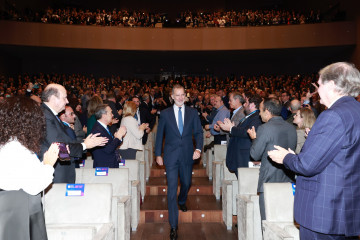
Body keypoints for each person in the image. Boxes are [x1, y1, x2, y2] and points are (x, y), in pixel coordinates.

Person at [268, 62, 360, 239]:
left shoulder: (333, 115)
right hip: (347, 210)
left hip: (325, 212)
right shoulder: (355, 111)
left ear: (332, 85)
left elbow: (308, 165)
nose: (317, 91)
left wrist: (286, 157)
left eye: (319, 84)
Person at [0, 96, 59, 240]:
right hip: (20, 209)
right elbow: (34, 186)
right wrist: (48, 165)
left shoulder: (7, 144)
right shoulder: (16, 147)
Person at [155, 84, 203, 240]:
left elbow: (198, 132)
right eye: (177, 95)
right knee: (171, 190)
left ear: (185, 96)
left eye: (183, 94)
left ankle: (182, 199)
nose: (180, 98)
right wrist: (158, 154)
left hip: (188, 154)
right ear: (172, 97)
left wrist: (198, 149)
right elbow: (159, 135)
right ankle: (174, 226)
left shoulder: (193, 113)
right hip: (170, 156)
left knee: (187, 182)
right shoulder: (165, 114)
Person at [39, 83, 108, 183]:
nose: (67, 101)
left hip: (62, 174)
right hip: (57, 176)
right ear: (53, 99)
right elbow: (59, 147)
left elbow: (67, 141)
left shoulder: (52, 115)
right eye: (65, 98)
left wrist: (85, 142)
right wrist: (85, 145)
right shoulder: (45, 116)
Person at [247, 98, 297, 221]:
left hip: (269, 180)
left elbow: (255, 155)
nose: (259, 114)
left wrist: (254, 138)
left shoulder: (264, 128)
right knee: (285, 220)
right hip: (288, 180)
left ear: (267, 111)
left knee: (267, 223)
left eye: (260, 110)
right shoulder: (291, 127)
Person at [218, 94, 262, 177]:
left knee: (247, 186)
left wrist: (231, 128)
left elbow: (248, 131)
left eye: (246, 103)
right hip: (240, 156)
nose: (244, 105)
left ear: (252, 105)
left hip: (244, 157)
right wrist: (232, 127)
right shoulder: (250, 116)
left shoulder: (256, 117)